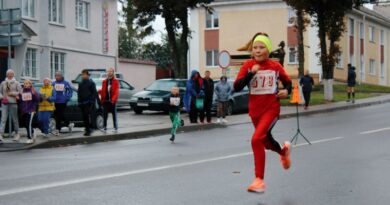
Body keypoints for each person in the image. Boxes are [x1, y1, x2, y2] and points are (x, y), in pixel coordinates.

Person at [234, 33, 292, 193]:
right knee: (265, 142)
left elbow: (288, 83)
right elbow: (237, 87)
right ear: (252, 51)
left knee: (255, 140)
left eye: (261, 47)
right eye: (255, 48)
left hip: (271, 109)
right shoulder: (247, 66)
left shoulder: (275, 66)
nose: (258, 50)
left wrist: (286, 91)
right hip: (255, 112)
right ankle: (284, 151)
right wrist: (251, 73)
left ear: (268, 49)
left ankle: (259, 180)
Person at [0, 69, 22, 143]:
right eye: (8, 74)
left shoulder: (16, 83)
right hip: (4, 102)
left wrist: (13, 93)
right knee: (3, 119)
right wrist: (2, 97)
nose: (10, 75)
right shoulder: (3, 83)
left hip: (13, 102)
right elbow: (0, 92)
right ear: (6, 75)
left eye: (11, 74)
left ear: (13, 75)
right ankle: (1, 134)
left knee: (14, 119)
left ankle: (17, 133)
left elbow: (20, 92)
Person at [78, 70, 99, 136]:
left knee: (89, 116)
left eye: (84, 74)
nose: (83, 76)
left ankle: (89, 129)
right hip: (82, 103)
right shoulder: (80, 83)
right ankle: (87, 129)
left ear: (87, 75)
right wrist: (79, 102)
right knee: (84, 117)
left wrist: (92, 102)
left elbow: (94, 93)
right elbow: (79, 93)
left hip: (89, 102)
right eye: (82, 74)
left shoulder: (91, 83)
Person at [52, 71, 74, 135]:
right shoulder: (53, 83)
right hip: (55, 101)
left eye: (58, 76)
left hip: (62, 101)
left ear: (61, 76)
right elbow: (50, 91)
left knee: (59, 114)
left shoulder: (65, 83)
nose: (57, 77)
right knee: (57, 115)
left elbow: (70, 91)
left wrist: (67, 97)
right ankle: (69, 124)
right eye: (56, 76)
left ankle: (57, 129)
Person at [19, 79, 40, 144]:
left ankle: (30, 138)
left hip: (31, 110)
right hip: (24, 111)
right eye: (25, 84)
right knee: (25, 124)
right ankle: (33, 131)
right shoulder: (22, 91)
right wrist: (19, 97)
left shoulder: (33, 91)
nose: (25, 85)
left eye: (27, 83)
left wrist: (34, 94)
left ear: (30, 84)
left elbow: (37, 99)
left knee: (28, 124)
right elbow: (21, 101)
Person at [100, 68, 119, 132]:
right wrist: (96, 92)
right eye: (108, 71)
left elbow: (116, 92)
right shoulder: (104, 81)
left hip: (112, 101)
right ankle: (104, 127)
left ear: (113, 73)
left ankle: (115, 128)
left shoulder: (115, 81)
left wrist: (113, 100)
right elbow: (103, 90)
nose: (109, 73)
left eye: (111, 71)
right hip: (105, 101)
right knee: (105, 115)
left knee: (114, 115)